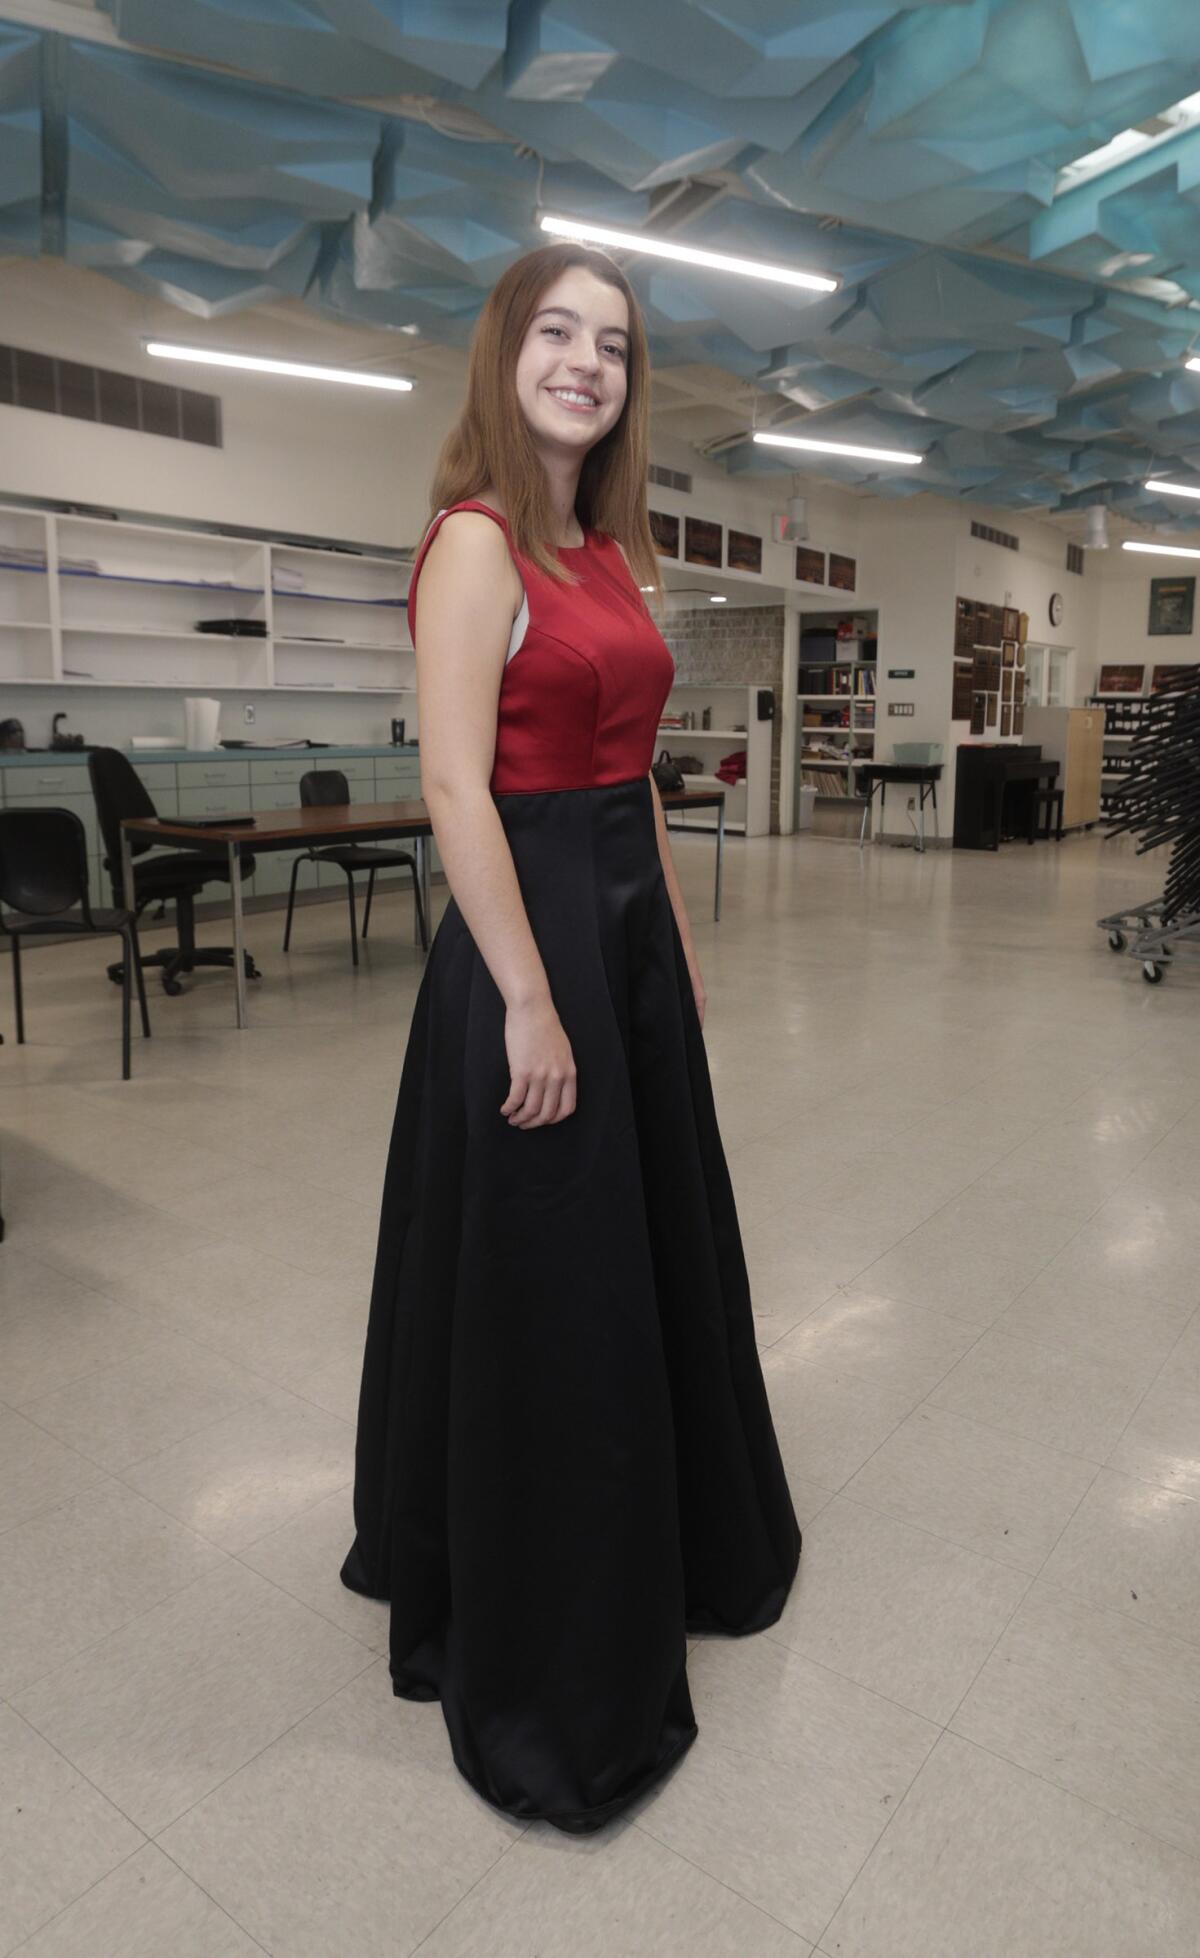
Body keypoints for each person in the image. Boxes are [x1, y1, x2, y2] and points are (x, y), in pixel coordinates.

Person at [340, 239, 801, 1834]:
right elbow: (462, 788)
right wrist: (533, 993)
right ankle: (543, 1625)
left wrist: (667, 952)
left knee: (656, 1243)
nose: (587, 363)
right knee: (557, 1279)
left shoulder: (615, 552)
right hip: (527, 940)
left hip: (621, 932)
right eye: (557, 331)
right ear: (505, 351)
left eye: (612, 341)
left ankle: (669, 1541)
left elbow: (634, 777)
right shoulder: (474, 545)